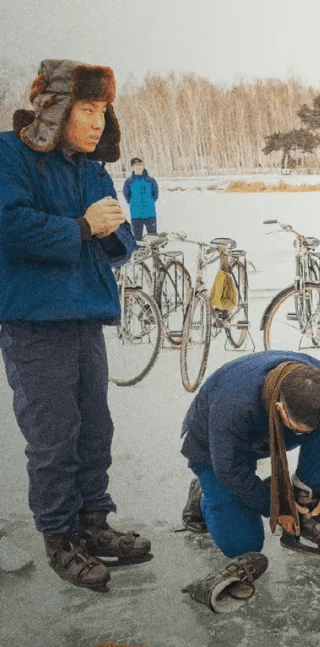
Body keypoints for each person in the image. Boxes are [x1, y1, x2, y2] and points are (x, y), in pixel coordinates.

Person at [0, 60, 149, 593]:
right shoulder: (10, 154)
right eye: (87, 109)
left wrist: (109, 234)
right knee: (53, 435)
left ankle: (92, 523)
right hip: (34, 322)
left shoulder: (90, 166)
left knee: (94, 429)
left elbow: (121, 239)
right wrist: (82, 226)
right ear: (56, 109)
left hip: (85, 317)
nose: (97, 122)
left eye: (103, 110)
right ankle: (60, 537)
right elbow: (9, 224)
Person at [179, 351, 320, 609]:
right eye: (300, 427)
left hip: (268, 426)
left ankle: (309, 498)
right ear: (281, 408)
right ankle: (204, 495)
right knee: (244, 545)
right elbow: (230, 469)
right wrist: (276, 507)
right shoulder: (234, 404)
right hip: (214, 451)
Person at [122, 157, 159, 240]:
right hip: (136, 215)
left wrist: (150, 202)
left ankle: (155, 253)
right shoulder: (129, 181)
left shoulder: (150, 180)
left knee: (153, 238)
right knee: (137, 239)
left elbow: (155, 194)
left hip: (150, 215)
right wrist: (133, 203)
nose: (138, 167)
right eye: (136, 165)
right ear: (132, 167)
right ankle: (139, 252)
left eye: (140, 164)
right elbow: (126, 195)